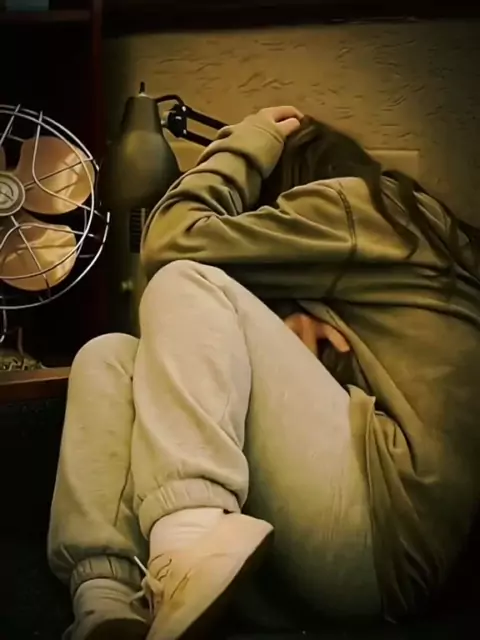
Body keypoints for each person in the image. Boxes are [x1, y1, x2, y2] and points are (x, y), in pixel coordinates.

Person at [48, 106, 480, 640]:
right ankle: (107, 601)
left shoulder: (356, 203)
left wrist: (247, 144)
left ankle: (188, 539)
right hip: (343, 548)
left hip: (385, 545)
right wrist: (294, 331)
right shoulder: (402, 242)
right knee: (108, 355)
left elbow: (172, 243)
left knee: (187, 278)